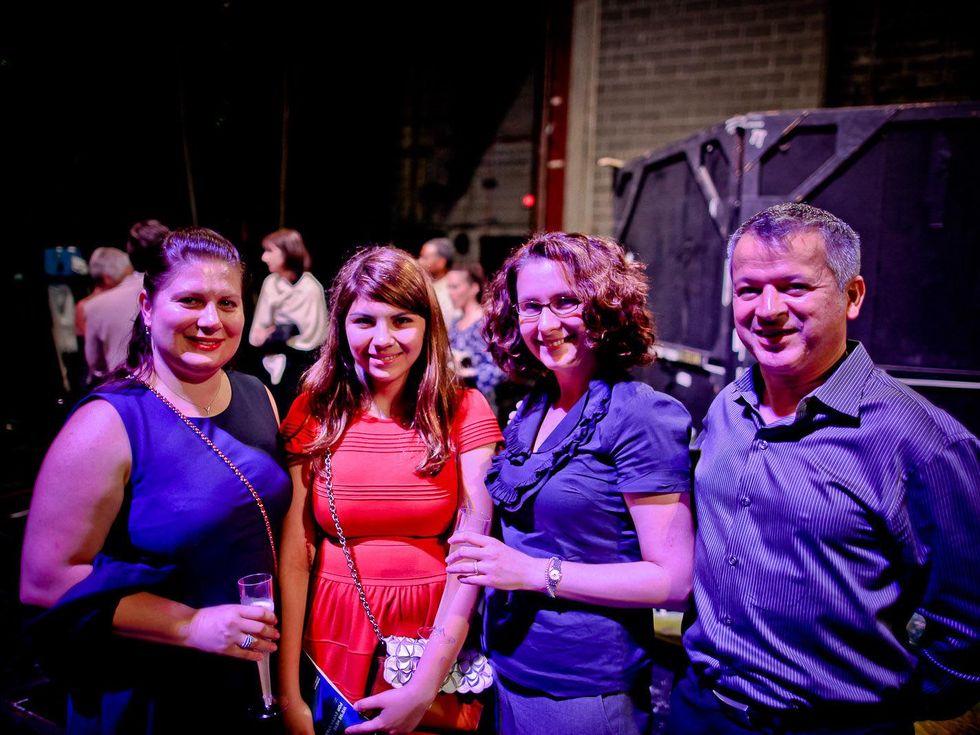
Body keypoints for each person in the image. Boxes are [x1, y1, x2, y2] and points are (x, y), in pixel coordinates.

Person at [670, 203, 980, 735]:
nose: (768, 309)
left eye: (794, 287)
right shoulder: (729, 407)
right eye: (749, 289)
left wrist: (870, 711)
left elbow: (967, 629)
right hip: (702, 711)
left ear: (852, 295)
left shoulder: (924, 442)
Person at [21, 227, 292, 733]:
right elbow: (45, 581)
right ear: (147, 305)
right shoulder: (108, 422)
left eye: (227, 304)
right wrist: (189, 625)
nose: (211, 321)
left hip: (250, 676)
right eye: (190, 300)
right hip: (156, 688)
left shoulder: (259, 396)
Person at [445, 232, 695, 735]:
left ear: (605, 306)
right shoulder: (535, 406)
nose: (547, 324)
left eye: (566, 302)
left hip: (583, 690)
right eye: (531, 307)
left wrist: (535, 572)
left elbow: (673, 582)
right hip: (508, 669)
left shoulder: (639, 414)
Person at [277, 246, 502, 735]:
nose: (383, 339)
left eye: (402, 320)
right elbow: (296, 552)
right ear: (340, 326)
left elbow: (473, 553)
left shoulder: (464, 410)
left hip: (434, 632)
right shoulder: (313, 411)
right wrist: (288, 689)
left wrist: (423, 688)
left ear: (427, 326)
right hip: (331, 628)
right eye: (364, 321)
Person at [248, 228, 328, 415]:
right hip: (270, 359)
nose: (264, 258)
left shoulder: (310, 287)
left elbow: (314, 336)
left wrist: (286, 333)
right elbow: (258, 331)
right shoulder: (271, 284)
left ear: (287, 252)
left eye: (270, 251)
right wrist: (272, 335)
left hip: (301, 365)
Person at [85, 219, 170, 383]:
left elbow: (96, 366)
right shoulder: (187, 292)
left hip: (123, 395)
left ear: (130, 254)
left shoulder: (95, 307)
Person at [446, 262, 505, 415]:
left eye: (455, 287)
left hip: (481, 403)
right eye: (448, 287)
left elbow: (502, 367)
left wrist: (472, 375)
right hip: (458, 400)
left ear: (474, 288)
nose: (450, 292)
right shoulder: (456, 321)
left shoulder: (485, 322)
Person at [75, 247, 133, 338]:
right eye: (125, 278)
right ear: (108, 279)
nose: (131, 282)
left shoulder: (82, 306)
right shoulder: (86, 308)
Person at [418, 236, 460, 327]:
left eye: (425, 258)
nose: (419, 261)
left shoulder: (451, 289)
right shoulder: (422, 284)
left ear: (441, 263)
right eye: (420, 256)